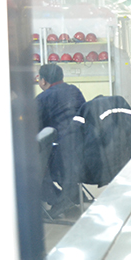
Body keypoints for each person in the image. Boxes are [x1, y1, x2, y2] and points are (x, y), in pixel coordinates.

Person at [36, 63, 86, 216]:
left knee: (32, 165)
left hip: (60, 152)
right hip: (83, 147)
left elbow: (33, 127)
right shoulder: (75, 90)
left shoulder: (43, 98)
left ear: (43, 81)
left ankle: (60, 200)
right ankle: (71, 194)